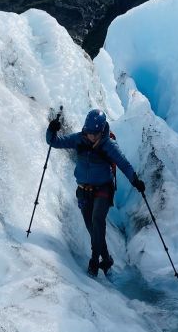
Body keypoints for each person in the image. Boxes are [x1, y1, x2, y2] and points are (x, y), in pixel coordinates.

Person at [47, 108, 145, 276]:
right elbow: (54, 142)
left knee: (97, 221)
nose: (91, 136)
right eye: (89, 132)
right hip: (84, 191)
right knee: (92, 228)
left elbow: (124, 164)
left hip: (103, 190)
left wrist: (135, 181)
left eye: (94, 133)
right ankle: (106, 258)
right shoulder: (79, 139)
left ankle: (94, 261)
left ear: (101, 131)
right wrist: (51, 129)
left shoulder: (109, 145)